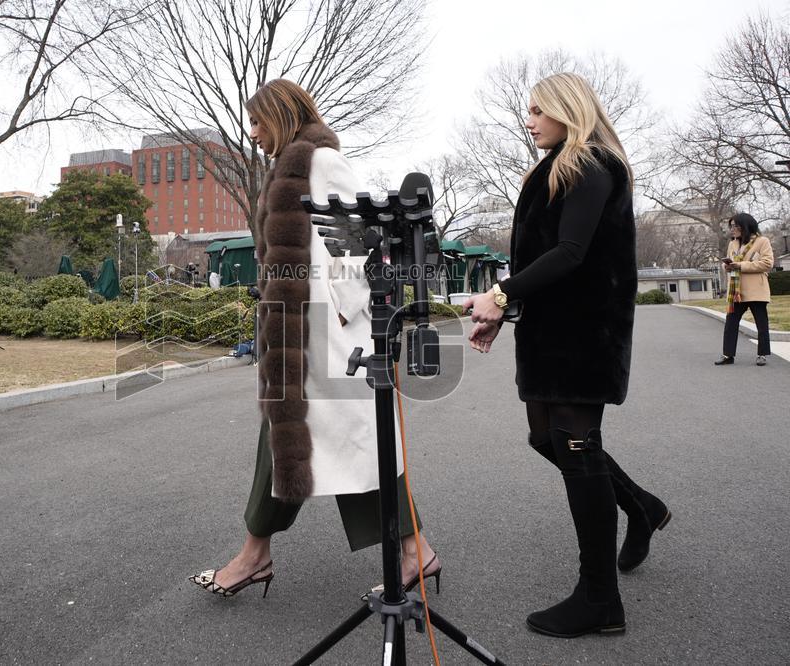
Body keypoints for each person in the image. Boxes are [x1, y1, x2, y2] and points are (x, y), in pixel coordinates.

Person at [188, 79, 438, 598]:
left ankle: (261, 555)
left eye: (257, 121)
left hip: (329, 334)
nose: (252, 132)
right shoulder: (286, 165)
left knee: (352, 440)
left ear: (281, 114)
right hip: (298, 332)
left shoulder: (321, 161)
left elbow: (358, 244)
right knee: (303, 436)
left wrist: (345, 315)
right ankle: (263, 553)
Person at [463, 72, 669, 638]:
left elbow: (571, 253)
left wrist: (498, 294)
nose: (528, 119)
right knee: (546, 438)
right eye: (527, 110)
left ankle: (600, 599)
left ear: (567, 109)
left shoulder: (592, 165)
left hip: (584, 333)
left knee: (577, 448)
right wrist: (506, 311)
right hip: (549, 331)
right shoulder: (553, 167)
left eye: (537, 110)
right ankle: (642, 507)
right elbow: (540, 256)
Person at [714, 213, 774, 366]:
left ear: (745, 226)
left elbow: (767, 263)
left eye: (735, 226)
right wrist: (727, 266)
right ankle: (728, 355)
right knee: (730, 323)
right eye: (731, 226)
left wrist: (741, 266)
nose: (732, 229)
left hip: (756, 290)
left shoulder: (762, 241)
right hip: (736, 291)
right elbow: (729, 262)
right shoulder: (732, 244)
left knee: (761, 324)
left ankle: (762, 355)